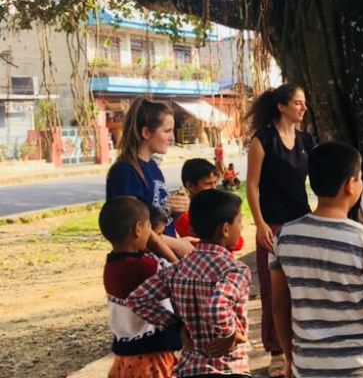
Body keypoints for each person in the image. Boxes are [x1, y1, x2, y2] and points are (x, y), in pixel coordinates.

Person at [269, 142, 363, 378]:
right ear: (351, 185)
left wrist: (292, 358)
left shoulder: (283, 237)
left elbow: (280, 306)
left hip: (308, 368)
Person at [128, 189, 251, 378]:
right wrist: (229, 334)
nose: (241, 227)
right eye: (240, 221)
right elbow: (217, 306)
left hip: (191, 368)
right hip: (230, 368)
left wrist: (176, 324)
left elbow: (138, 299)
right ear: (225, 229)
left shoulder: (179, 269)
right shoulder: (235, 270)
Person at [244, 84, 314, 377]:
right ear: (281, 106)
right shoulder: (263, 140)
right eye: (298, 103)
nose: (303, 108)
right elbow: (251, 185)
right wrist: (260, 223)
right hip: (272, 224)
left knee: (302, 286)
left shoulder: (306, 140)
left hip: (301, 222)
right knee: (273, 290)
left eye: (304, 103)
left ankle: (300, 344)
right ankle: (275, 350)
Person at [100, 197, 182, 378]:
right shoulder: (146, 266)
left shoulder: (111, 265)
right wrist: (158, 243)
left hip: (125, 355)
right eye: (151, 231)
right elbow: (179, 273)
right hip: (152, 354)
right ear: (138, 229)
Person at [106, 98, 191, 263]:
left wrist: (175, 212)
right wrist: (176, 252)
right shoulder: (125, 172)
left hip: (162, 258)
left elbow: (157, 222)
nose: (172, 138)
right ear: (146, 133)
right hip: (143, 263)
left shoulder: (153, 168)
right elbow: (135, 230)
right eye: (166, 131)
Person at [175, 158, 244, 252]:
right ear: (190, 186)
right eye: (208, 184)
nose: (213, 188)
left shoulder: (220, 206)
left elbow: (239, 243)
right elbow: (237, 243)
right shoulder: (182, 215)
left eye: (215, 183)